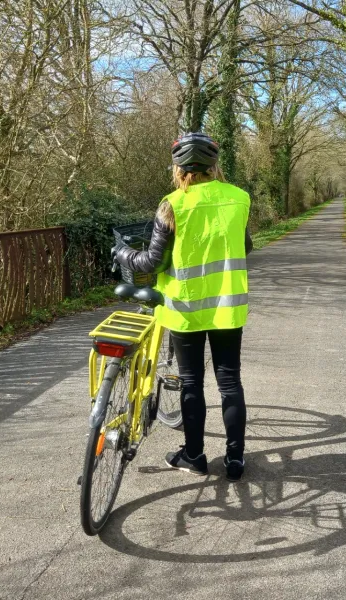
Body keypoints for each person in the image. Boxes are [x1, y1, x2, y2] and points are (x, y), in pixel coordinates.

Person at [113, 132, 253, 481]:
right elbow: (245, 247)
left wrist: (122, 254)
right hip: (227, 306)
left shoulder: (172, 205)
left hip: (184, 309)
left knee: (192, 382)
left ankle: (194, 456)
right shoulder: (239, 199)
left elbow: (151, 263)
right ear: (214, 166)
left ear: (179, 170)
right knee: (230, 382)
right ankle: (235, 461)